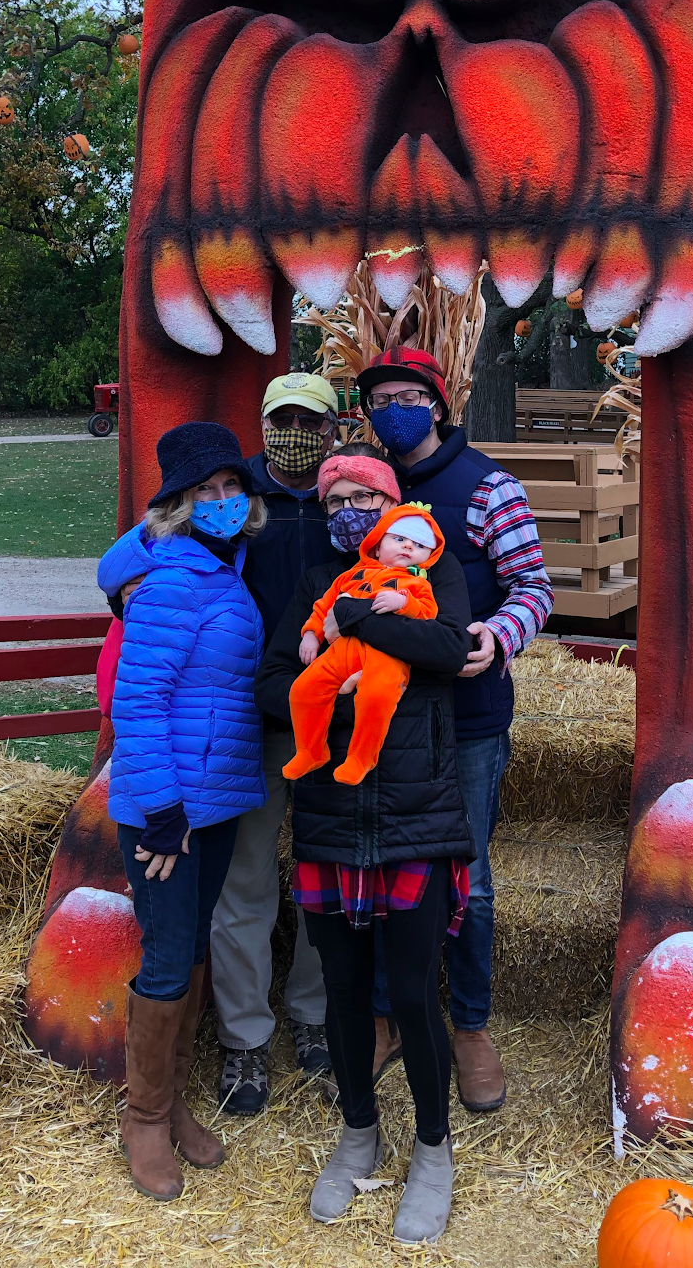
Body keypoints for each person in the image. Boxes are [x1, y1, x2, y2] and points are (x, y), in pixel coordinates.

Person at [99, 372, 341, 1118]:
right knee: (243, 887)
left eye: (310, 420)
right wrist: (120, 585)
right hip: (250, 729)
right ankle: (242, 1037)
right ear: (265, 426)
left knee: (325, 881)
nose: (295, 431)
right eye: (282, 419)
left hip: (331, 726)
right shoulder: (226, 515)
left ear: (335, 429)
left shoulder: (348, 494)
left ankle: (313, 1018)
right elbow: (128, 557)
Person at [256, 442, 475, 1245]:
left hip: (417, 810)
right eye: (334, 498)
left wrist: (361, 627)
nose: (349, 510)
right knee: (343, 991)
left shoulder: (429, 572)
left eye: (363, 497)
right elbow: (272, 683)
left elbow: (451, 650)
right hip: (330, 811)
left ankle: (432, 1146)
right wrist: (327, 679)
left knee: (414, 993)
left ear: (393, 508)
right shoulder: (320, 585)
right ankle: (357, 1130)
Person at [356, 346, 554, 1114]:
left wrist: (497, 636)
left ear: (437, 406)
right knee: (377, 865)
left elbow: (532, 584)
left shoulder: (488, 488)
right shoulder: (367, 491)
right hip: (379, 715)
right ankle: (384, 1014)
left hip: (465, 716)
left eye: (405, 397)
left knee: (466, 876)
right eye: (377, 401)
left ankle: (469, 1025)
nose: (390, 412)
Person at [100, 421, 267, 1201]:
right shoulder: (171, 577)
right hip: (171, 809)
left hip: (218, 798)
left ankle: (174, 1103)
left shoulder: (218, 568)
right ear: (178, 503)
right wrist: (164, 811)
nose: (226, 501)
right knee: (168, 956)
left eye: (234, 488)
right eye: (208, 492)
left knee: (193, 946)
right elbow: (139, 701)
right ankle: (143, 1116)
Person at [285, 503, 444, 785]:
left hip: (387, 656)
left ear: (427, 557)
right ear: (377, 545)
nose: (408, 547)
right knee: (303, 690)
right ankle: (310, 750)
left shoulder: (416, 583)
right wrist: (311, 633)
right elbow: (324, 607)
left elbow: (428, 612)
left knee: (377, 697)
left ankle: (361, 758)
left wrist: (404, 602)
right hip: (342, 650)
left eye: (419, 545)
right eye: (399, 539)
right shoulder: (350, 576)